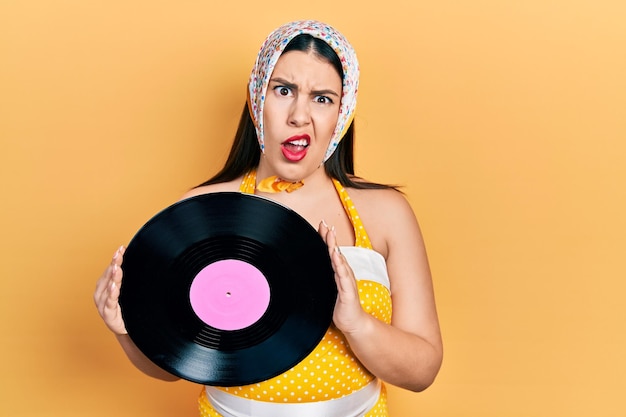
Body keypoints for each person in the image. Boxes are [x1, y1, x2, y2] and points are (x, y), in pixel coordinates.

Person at [94, 19, 443, 417]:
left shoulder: (387, 213)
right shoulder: (202, 211)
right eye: (283, 90)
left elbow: (423, 371)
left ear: (342, 115)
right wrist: (125, 328)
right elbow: (174, 363)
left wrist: (357, 324)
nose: (299, 115)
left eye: (322, 98)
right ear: (256, 99)